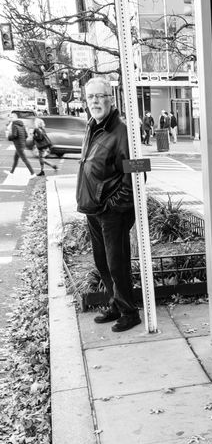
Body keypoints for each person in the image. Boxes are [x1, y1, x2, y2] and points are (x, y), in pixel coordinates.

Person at [75, 76, 141, 332]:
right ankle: (115, 304)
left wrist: (113, 205)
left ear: (110, 99)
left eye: (100, 96)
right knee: (102, 262)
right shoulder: (92, 125)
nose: (95, 101)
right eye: (90, 97)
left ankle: (129, 312)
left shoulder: (121, 131)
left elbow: (131, 175)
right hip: (94, 208)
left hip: (112, 211)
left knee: (117, 262)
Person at [7, 111, 35, 176]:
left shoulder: (14, 124)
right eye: (10, 117)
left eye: (11, 117)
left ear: (15, 118)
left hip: (18, 145)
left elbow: (14, 135)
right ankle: (12, 172)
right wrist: (22, 141)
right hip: (22, 144)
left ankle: (32, 173)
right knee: (15, 158)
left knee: (24, 159)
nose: (10, 118)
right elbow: (26, 135)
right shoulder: (22, 124)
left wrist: (9, 137)